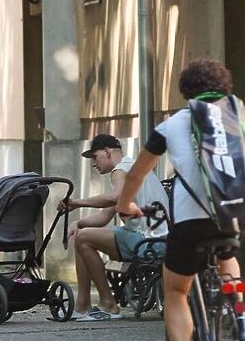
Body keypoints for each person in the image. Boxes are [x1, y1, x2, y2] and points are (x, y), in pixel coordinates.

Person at [115, 57, 245, 341]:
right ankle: (240, 318)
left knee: (176, 291)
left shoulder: (174, 124)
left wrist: (125, 205)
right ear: (224, 86)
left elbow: (136, 174)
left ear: (185, 92)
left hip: (191, 222)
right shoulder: (240, 116)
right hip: (233, 215)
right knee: (228, 256)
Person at [59, 134, 169, 321]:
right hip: (158, 237)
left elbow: (114, 197)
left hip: (150, 240)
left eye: (95, 157)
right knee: (82, 236)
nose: (93, 164)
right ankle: (82, 305)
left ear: (107, 152)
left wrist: (76, 202)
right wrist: (79, 223)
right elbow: (105, 215)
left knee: (84, 238)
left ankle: (108, 304)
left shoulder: (120, 170)